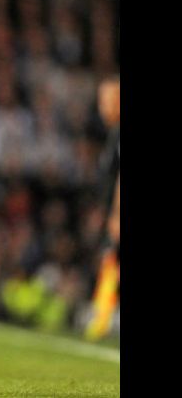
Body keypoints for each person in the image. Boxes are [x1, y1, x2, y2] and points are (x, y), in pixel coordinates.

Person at [85, 76, 120, 341]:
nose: (104, 106)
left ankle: (103, 317)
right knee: (110, 260)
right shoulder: (113, 133)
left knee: (110, 259)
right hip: (111, 211)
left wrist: (117, 214)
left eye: (109, 100)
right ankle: (103, 315)